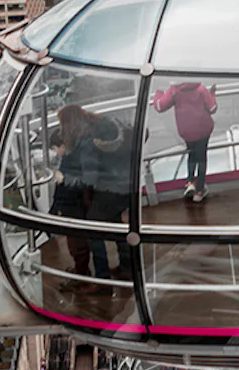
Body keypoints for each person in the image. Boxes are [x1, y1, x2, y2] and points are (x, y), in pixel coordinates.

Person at [57, 105, 134, 293]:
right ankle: (127, 268)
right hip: (126, 184)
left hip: (110, 189)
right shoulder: (102, 126)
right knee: (116, 225)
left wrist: (64, 179)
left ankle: (102, 281)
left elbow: (89, 178)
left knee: (94, 231)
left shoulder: (86, 142)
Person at [152, 81, 218, 202]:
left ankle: (190, 182)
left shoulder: (174, 90)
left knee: (191, 153)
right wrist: (212, 93)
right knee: (201, 157)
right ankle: (199, 191)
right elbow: (213, 108)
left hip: (186, 131)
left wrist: (159, 92)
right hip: (203, 128)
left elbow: (160, 106)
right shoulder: (200, 89)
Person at [48, 128, 92, 285]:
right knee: (76, 243)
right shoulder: (76, 156)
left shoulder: (72, 160)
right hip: (75, 207)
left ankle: (82, 278)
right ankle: (81, 271)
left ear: (62, 146)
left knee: (77, 244)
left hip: (74, 209)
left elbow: (81, 183)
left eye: (55, 149)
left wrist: (63, 179)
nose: (56, 152)